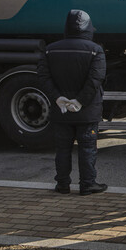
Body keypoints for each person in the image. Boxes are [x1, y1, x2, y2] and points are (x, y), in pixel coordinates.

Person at [38, 10, 107, 195]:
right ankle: (87, 184)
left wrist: (58, 98)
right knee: (87, 148)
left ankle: (62, 184)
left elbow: (43, 77)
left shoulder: (50, 49)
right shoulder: (95, 50)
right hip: (87, 110)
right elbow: (95, 79)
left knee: (62, 149)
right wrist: (79, 101)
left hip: (61, 111)